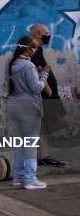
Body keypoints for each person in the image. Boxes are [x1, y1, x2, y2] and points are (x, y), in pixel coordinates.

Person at [8, 36, 51, 189]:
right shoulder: (28, 66)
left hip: (15, 107)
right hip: (29, 108)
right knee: (31, 144)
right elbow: (36, 88)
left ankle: (18, 177)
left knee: (20, 144)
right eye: (34, 48)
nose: (36, 50)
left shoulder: (14, 64)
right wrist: (44, 74)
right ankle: (30, 179)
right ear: (28, 49)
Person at [29, 23, 67, 167]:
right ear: (38, 34)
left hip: (52, 95)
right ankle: (41, 152)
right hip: (48, 96)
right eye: (46, 33)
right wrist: (49, 90)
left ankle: (43, 154)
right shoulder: (33, 49)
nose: (49, 35)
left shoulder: (38, 48)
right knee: (64, 121)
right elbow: (37, 71)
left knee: (45, 125)